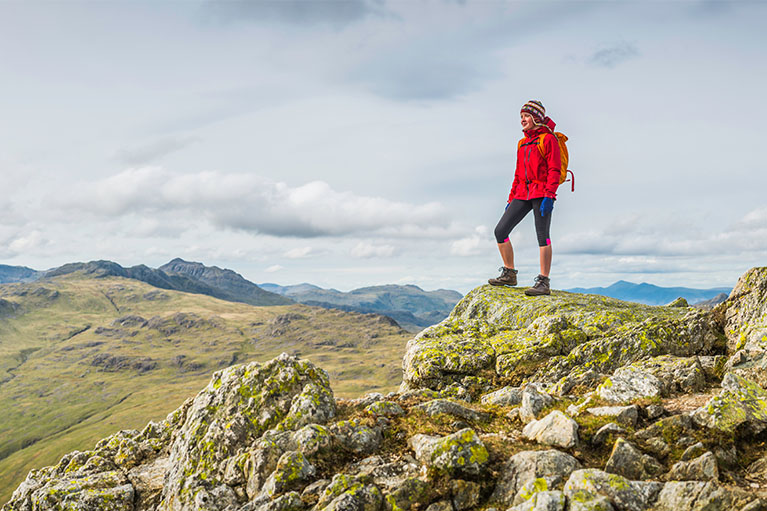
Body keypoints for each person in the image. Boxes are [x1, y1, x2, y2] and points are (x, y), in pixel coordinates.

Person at [488, 100, 561, 296]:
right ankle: (509, 273)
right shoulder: (522, 143)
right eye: (521, 117)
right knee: (500, 230)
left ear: (536, 117)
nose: (522, 120)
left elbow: (555, 169)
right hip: (522, 193)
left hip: (542, 193)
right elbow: (518, 174)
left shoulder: (548, 139)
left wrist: (550, 195)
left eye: (526, 116)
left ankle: (544, 282)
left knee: (542, 236)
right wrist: (510, 199)